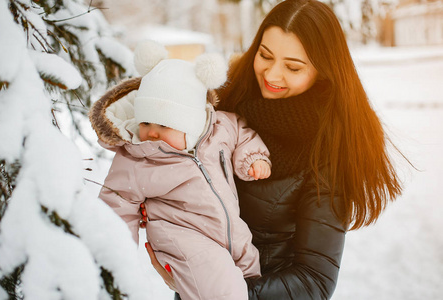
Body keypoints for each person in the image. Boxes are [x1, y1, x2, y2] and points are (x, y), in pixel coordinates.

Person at [140, 0, 405, 299]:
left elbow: (314, 281)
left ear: (323, 71)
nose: (272, 75)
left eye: (293, 67)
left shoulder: (328, 147)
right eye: (265, 56)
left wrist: (219, 292)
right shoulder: (222, 101)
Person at [89, 40, 272, 300]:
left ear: (193, 123)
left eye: (165, 124)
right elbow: (116, 205)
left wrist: (253, 158)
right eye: (145, 121)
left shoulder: (218, 130)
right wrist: (116, 259)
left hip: (231, 234)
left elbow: (242, 132)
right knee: (224, 292)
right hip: (181, 239)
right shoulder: (137, 157)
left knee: (248, 275)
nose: (152, 132)